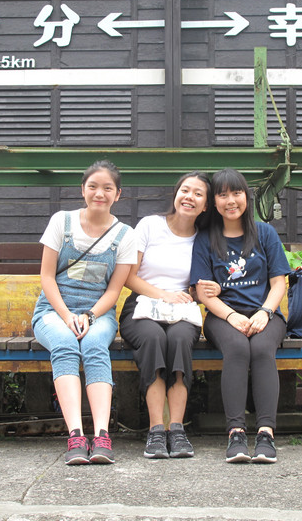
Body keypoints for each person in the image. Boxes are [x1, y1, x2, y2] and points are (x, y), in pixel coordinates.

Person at [31, 160, 137, 465]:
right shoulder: (61, 222)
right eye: (93, 186)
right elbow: (47, 277)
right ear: (83, 190)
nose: (99, 193)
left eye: (107, 188)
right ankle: (76, 435)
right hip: (53, 311)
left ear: (118, 194)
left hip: (99, 314)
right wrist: (67, 316)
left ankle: (102, 435)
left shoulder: (125, 235)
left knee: (93, 345)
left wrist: (89, 316)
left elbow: (114, 291)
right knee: (65, 344)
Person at [190, 168, 290, 464]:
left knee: (261, 349)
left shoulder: (265, 233)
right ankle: (236, 433)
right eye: (223, 195)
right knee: (236, 348)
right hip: (222, 317)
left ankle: (265, 434)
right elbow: (203, 292)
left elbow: (278, 283)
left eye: (237, 193)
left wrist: (265, 312)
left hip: (266, 315)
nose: (231, 200)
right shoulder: (206, 239)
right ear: (214, 202)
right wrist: (231, 316)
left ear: (247, 196)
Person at [119, 172, 219, 459]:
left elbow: (200, 287)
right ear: (176, 194)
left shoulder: (204, 239)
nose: (189, 197)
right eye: (185, 190)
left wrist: (211, 290)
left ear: (205, 206)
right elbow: (128, 276)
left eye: (198, 194)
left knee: (179, 340)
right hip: (142, 306)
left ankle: (176, 429)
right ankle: (155, 430)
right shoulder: (150, 225)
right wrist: (163, 295)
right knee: (152, 338)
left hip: (182, 310)